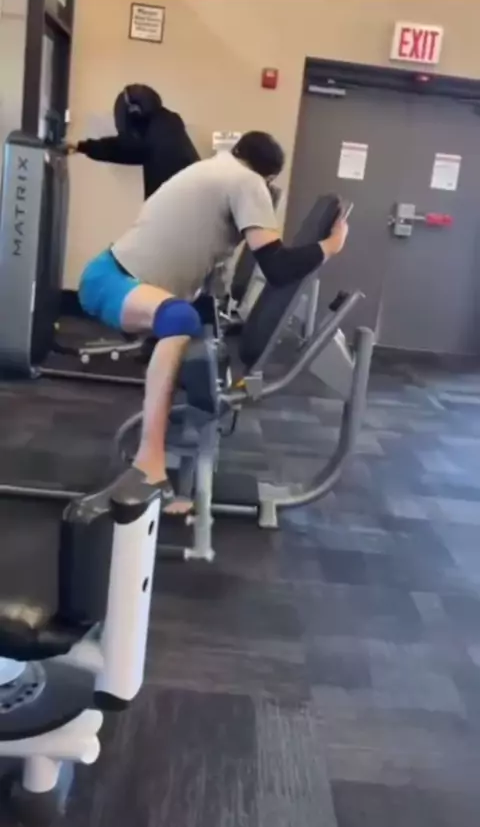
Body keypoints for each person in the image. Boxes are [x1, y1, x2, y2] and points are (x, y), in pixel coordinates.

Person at [78, 131, 349, 514]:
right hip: (113, 281)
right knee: (180, 318)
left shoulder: (214, 170)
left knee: (191, 321)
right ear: (269, 177)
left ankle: (173, 448)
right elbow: (277, 267)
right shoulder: (248, 182)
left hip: (110, 275)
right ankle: (149, 464)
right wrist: (330, 247)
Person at [69, 85, 199, 199]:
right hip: (195, 198)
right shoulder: (169, 125)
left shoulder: (154, 133)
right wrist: (83, 147)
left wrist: (83, 147)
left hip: (175, 204)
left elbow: (121, 148)